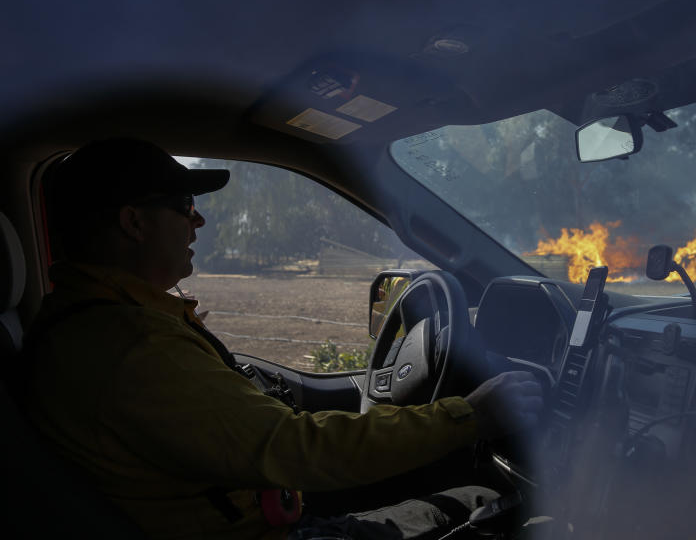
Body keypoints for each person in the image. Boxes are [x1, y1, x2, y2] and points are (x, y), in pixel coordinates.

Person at [25, 137, 543, 540]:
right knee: (485, 505)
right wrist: (469, 416)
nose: (197, 219)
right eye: (184, 205)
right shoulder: (133, 347)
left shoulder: (96, 320)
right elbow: (295, 448)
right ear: (133, 222)